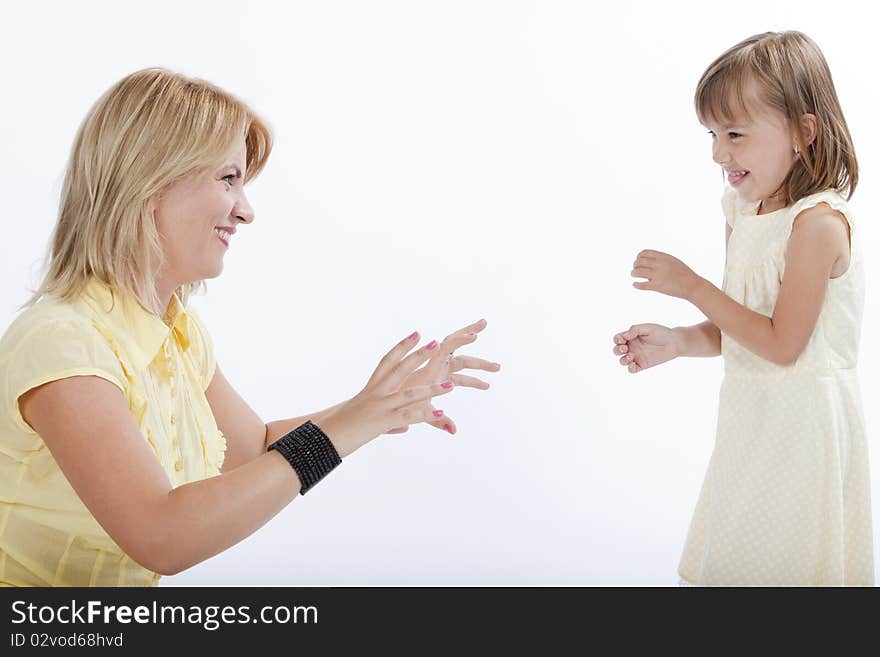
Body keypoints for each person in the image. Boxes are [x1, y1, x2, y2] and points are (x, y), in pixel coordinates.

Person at [0, 68, 500, 587]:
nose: (246, 211)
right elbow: (160, 536)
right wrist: (348, 425)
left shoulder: (177, 334)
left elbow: (253, 453)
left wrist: (373, 407)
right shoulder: (62, 341)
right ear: (149, 181)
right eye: (228, 179)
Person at [611, 31, 872, 585]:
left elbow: (783, 343)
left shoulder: (817, 225)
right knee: (740, 563)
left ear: (803, 132)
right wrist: (680, 340)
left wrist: (691, 285)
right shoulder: (744, 210)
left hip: (805, 432)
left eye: (734, 134)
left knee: (788, 566)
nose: (718, 153)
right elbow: (740, 325)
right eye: (712, 134)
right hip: (751, 424)